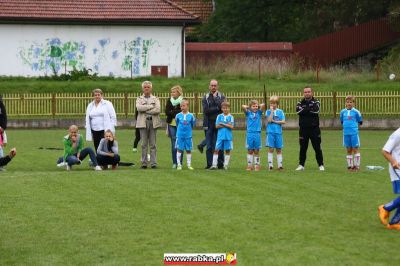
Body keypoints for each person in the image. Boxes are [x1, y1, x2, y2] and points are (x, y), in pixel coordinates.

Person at [295, 87, 324, 171]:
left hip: (314, 129)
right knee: (303, 148)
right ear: (303, 93)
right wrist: (309, 109)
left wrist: (304, 110)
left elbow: (316, 111)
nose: (307, 93)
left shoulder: (316, 102)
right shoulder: (300, 102)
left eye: (308, 92)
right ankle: (301, 165)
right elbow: (298, 112)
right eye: (305, 92)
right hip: (303, 129)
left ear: (312, 92)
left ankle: (321, 165)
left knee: (317, 147)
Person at [378, 128, 400, 230]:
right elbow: (385, 151)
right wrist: (393, 161)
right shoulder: (397, 134)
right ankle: (386, 208)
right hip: (397, 167)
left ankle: (394, 222)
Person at [136, 81, 161, 169]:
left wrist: (145, 110)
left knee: (153, 144)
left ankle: (153, 163)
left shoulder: (156, 98)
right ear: (143, 88)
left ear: (151, 88)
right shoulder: (139, 98)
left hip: (153, 122)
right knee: (143, 144)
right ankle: (144, 163)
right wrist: (150, 106)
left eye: (148, 87)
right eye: (145, 87)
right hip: (142, 123)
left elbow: (157, 110)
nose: (146, 88)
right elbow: (139, 108)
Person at [202, 79, 226, 169]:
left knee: (219, 144)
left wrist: (216, 100)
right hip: (208, 123)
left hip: (219, 123)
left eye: (215, 85)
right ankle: (210, 164)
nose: (213, 87)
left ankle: (220, 164)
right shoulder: (206, 97)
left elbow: (223, 108)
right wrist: (217, 107)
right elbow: (206, 111)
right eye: (212, 85)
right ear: (209, 86)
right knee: (209, 145)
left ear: (218, 86)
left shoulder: (222, 97)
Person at [340, 95, 362, 171]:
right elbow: (342, 121)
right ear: (345, 103)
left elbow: (360, 122)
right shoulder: (342, 112)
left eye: (351, 102)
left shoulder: (356, 112)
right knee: (348, 150)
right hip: (346, 133)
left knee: (355, 149)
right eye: (347, 102)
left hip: (354, 133)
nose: (349, 103)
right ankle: (350, 166)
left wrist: (355, 129)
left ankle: (357, 166)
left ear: (353, 103)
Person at [210, 102, 234, 170]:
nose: (225, 109)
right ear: (222, 109)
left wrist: (223, 124)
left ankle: (225, 165)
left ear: (229, 108)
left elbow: (231, 126)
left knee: (227, 150)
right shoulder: (219, 116)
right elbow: (217, 126)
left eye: (227, 108)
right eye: (224, 108)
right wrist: (227, 124)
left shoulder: (231, 117)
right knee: (216, 150)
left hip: (228, 137)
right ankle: (214, 165)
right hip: (220, 136)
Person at [242, 100, 265, 171]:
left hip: (257, 133)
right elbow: (243, 106)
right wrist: (249, 107)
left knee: (256, 150)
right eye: (253, 106)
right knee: (250, 150)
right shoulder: (248, 113)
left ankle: (257, 165)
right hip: (250, 133)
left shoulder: (259, 113)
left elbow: (263, 105)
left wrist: (258, 106)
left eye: (256, 106)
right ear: (250, 107)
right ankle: (249, 165)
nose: (255, 107)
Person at [165, 85, 183, 168]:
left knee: (180, 144)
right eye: (171, 92)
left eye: (174, 92)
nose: (172, 94)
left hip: (180, 125)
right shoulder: (169, 100)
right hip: (171, 124)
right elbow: (167, 112)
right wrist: (175, 112)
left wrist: (172, 111)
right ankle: (174, 163)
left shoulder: (182, 100)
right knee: (173, 144)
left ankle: (180, 162)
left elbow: (182, 111)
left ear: (178, 92)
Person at [266, 96, 286, 171]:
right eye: (271, 103)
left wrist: (276, 122)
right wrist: (271, 112)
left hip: (278, 133)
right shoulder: (268, 111)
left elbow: (283, 121)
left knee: (279, 149)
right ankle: (270, 166)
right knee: (271, 149)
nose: (272, 105)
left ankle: (280, 166)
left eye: (274, 103)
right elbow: (269, 120)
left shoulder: (280, 111)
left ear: (277, 104)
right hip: (270, 132)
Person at [175, 99, 196, 170]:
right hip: (180, 136)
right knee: (179, 149)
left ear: (188, 106)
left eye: (184, 106)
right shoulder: (178, 115)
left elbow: (193, 125)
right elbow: (177, 124)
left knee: (188, 150)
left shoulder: (191, 116)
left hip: (188, 136)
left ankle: (189, 164)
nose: (182, 107)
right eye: (181, 106)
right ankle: (179, 164)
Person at [0, 94, 8, 170]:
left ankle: (1, 165)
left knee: (0, 146)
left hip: (0, 130)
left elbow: (5, 117)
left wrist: (3, 127)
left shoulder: (2, 106)